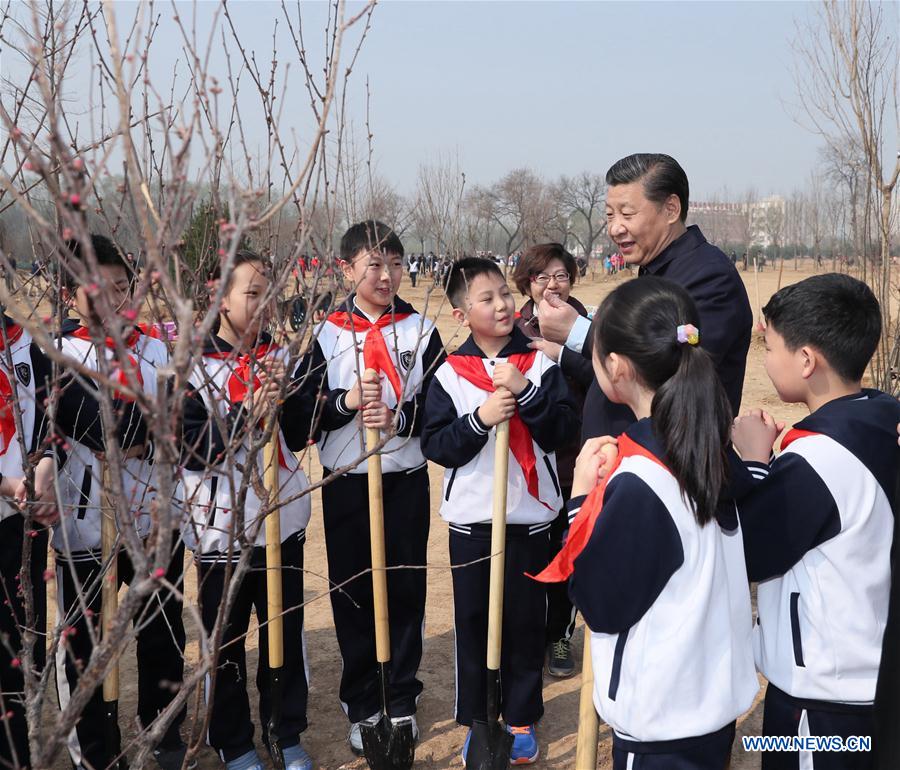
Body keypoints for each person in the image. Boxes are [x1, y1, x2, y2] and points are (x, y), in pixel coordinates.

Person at [538, 276, 758, 769]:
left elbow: (601, 604)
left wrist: (580, 500)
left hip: (661, 726)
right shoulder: (708, 448)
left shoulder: (643, 480)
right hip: (707, 707)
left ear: (614, 367)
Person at [730, 273, 899, 770]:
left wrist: (754, 463)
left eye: (771, 347)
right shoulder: (881, 418)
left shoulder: (819, 461)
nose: (766, 359)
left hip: (821, 702)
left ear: (806, 361)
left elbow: (752, 550)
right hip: (867, 678)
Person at [421, 257, 579, 766]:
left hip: (531, 521)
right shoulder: (448, 373)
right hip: (472, 523)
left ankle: (520, 715)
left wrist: (524, 391)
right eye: (486, 299)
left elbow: (560, 431)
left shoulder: (542, 363)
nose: (502, 305)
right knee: (473, 621)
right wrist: (482, 417)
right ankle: (479, 718)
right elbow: (438, 445)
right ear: (461, 314)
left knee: (524, 622)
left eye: (504, 295)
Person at [298, 221, 444, 756]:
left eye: (395, 264)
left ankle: (401, 693)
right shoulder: (324, 334)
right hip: (347, 482)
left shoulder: (422, 331)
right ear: (346, 269)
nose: (387, 275)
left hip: (404, 480)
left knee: (406, 587)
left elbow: (439, 408)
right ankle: (361, 698)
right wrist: (344, 403)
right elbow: (303, 415)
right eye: (374, 265)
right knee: (352, 591)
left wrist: (402, 419)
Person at [52, 234, 189, 770]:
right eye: (95, 289)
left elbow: (176, 422)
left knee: (163, 630)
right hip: (86, 526)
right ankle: (94, 748)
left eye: (120, 286)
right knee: (87, 643)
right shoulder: (60, 356)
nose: (110, 299)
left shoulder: (155, 347)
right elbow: (91, 424)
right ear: (70, 296)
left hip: (155, 517)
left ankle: (165, 731)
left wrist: (145, 428)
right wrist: (142, 424)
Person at [180, 249, 314, 770]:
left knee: (283, 629)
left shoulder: (283, 357)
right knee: (225, 641)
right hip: (220, 528)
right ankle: (233, 742)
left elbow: (303, 432)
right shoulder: (191, 364)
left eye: (269, 293)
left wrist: (305, 399)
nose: (262, 305)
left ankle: (287, 730)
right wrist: (243, 415)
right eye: (251, 294)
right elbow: (189, 446)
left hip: (281, 522)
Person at [534, 153, 752, 442]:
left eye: (627, 214)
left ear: (671, 209)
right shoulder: (656, 270)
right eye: (610, 215)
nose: (614, 228)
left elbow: (677, 366)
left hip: (668, 467)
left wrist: (579, 332)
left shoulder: (709, 277)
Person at [0, 311, 78, 769]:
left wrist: (47, 463)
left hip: (17, 527)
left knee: (19, 648)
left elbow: (57, 423)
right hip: (11, 497)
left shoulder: (29, 344)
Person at [511, 243, 589, 678]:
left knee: (568, 550)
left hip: (574, 456)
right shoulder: (515, 327)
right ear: (528, 283)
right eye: (542, 277)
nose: (552, 284)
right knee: (531, 553)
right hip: (530, 461)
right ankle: (528, 635)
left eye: (560, 275)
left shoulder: (589, 325)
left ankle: (560, 635)